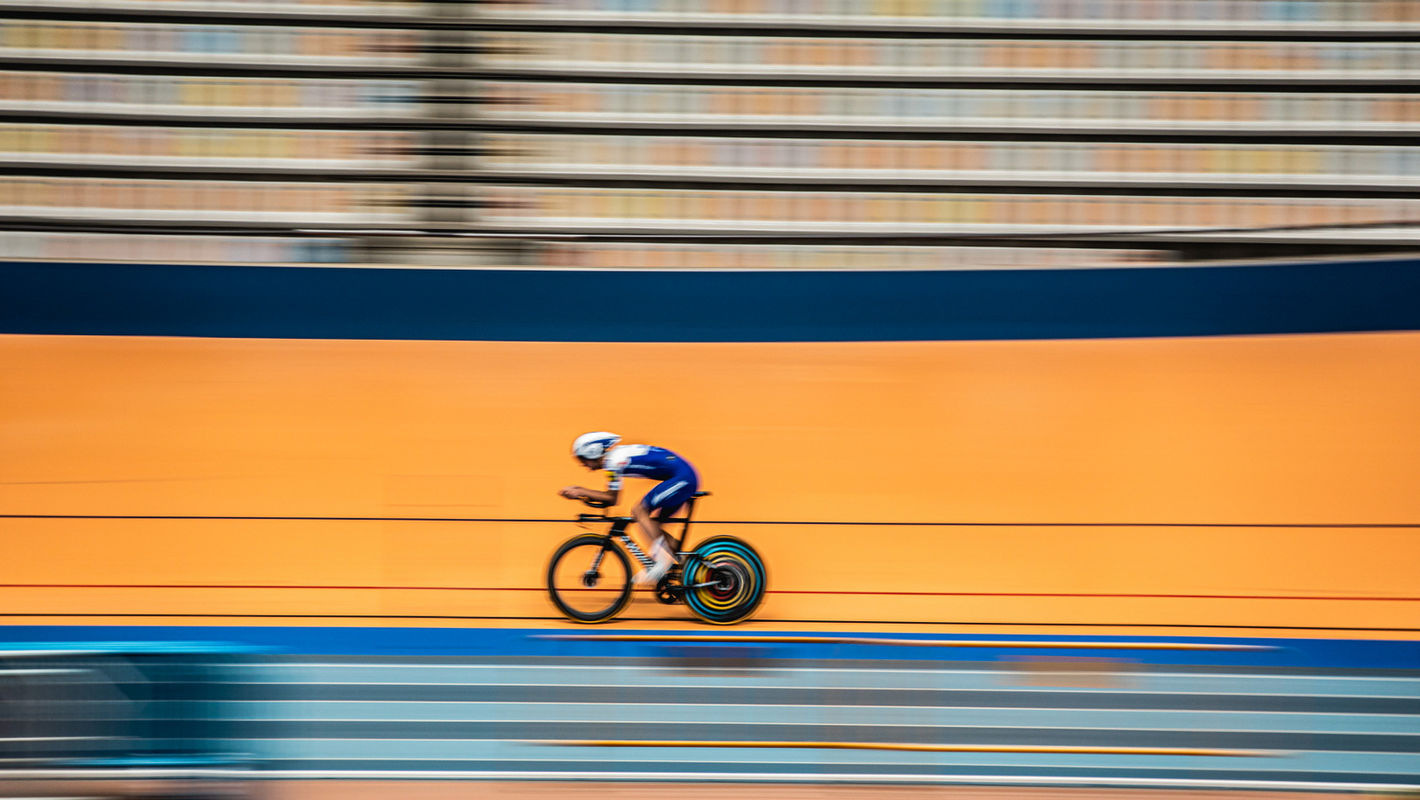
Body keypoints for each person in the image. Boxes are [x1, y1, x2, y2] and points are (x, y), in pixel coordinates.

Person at [559, 431, 699, 586]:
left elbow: (613, 498)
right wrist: (580, 492)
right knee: (653, 527)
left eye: (583, 460)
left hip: (682, 478)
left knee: (639, 511)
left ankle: (660, 562)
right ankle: (692, 568)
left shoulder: (613, 462)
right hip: (682, 476)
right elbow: (610, 498)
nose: (583, 465)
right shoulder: (613, 460)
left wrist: (580, 491)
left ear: (592, 452)